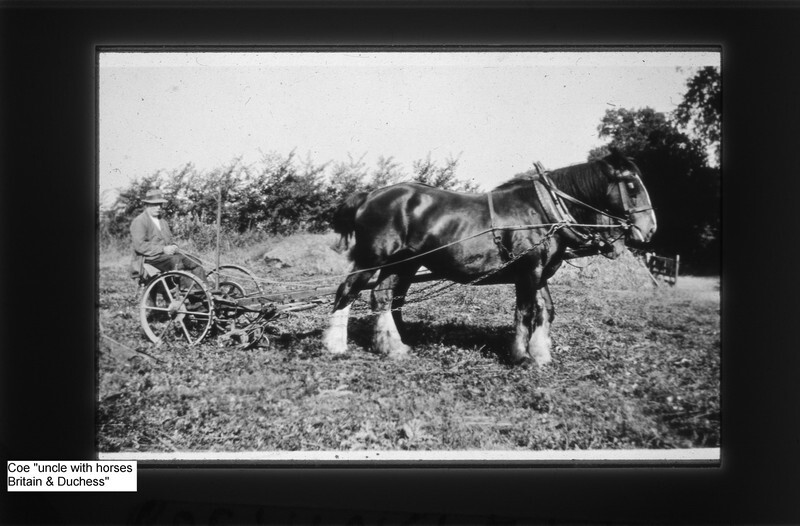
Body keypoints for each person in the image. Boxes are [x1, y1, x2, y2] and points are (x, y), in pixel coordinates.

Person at [130, 188, 207, 284]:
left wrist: (174, 246)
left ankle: (203, 291)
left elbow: (169, 241)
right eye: (155, 204)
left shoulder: (163, 222)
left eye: (160, 204)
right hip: (151, 258)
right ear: (147, 205)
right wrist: (163, 249)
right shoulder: (140, 221)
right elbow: (140, 246)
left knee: (195, 261)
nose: (158, 207)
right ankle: (188, 291)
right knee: (177, 261)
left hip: (165, 257)